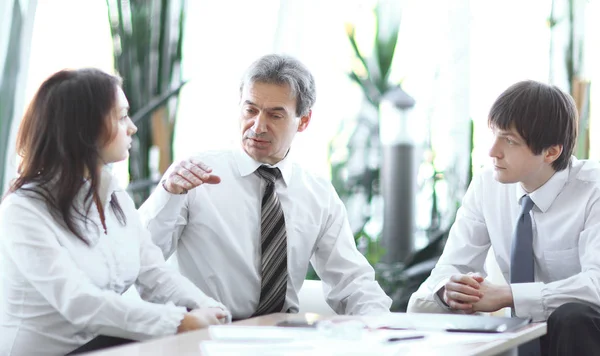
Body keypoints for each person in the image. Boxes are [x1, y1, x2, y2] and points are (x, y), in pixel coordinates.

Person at [139, 54, 391, 319]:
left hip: (283, 339)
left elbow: (351, 281)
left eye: (275, 115)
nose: (258, 127)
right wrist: (168, 193)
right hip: (207, 333)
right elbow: (140, 256)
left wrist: (383, 329)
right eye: (250, 110)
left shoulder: (318, 194)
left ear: (303, 121)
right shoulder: (193, 176)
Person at [0, 68, 231, 356]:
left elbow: (154, 273)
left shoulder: (115, 197)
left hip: (102, 346)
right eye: (121, 117)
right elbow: (78, 302)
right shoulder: (22, 211)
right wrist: (180, 321)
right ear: (85, 128)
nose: (132, 127)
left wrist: (208, 306)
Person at [407, 80, 600, 355]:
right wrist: (450, 289)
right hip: (523, 332)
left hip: (583, 334)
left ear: (551, 152)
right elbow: (450, 266)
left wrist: (508, 295)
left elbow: (596, 286)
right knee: (433, 304)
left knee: (572, 317)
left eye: (509, 141)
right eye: (495, 135)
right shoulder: (487, 185)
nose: (492, 151)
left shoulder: (593, 189)